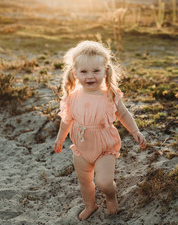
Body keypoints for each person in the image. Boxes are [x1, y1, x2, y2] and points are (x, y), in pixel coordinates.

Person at [54, 40, 146, 221]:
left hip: (104, 145)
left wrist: (135, 131)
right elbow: (66, 121)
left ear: (105, 71)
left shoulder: (110, 94)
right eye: (84, 71)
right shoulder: (72, 97)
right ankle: (90, 205)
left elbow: (123, 114)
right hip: (81, 147)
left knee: (103, 182)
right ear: (75, 73)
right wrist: (59, 138)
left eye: (96, 71)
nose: (90, 76)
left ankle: (110, 196)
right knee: (85, 181)